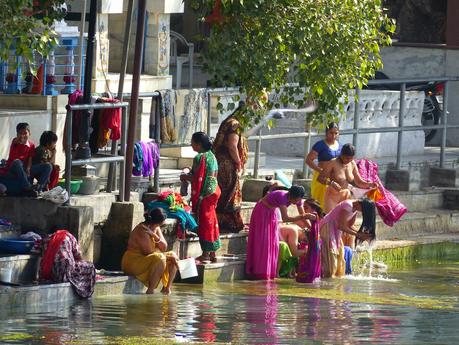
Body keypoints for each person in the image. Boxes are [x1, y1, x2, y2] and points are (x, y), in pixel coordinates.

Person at [246, 185, 316, 280]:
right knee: (264, 242)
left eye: (298, 200)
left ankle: (270, 272)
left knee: (273, 244)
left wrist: (312, 229)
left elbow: (303, 215)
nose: (296, 203)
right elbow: (285, 218)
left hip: (271, 213)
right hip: (262, 211)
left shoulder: (297, 200)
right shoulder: (282, 197)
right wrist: (303, 217)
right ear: (291, 196)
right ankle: (260, 272)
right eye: (296, 200)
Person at [319, 143, 377, 246]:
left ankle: (345, 249)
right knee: (333, 223)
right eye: (345, 158)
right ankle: (329, 246)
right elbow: (320, 178)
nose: (347, 160)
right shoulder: (333, 162)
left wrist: (370, 184)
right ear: (341, 154)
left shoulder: (352, 163)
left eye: (350, 158)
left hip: (345, 194)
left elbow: (358, 181)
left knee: (347, 224)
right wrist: (331, 183)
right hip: (332, 195)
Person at [180, 132, 221, 263]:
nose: (191, 145)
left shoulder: (200, 157)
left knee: (204, 223)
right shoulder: (212, 156)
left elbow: (196, 178)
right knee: (212, 221)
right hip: (213, 192)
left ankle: (205, 254)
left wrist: (184, 177)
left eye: (192, 142)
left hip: (204, 194)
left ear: (198, 144)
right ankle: (213, 253)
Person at [121, 208, 179, 295]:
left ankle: (167, 288)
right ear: (157, 222)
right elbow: (149, 252)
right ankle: (150, 291)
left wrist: (154, 235)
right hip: (133, 262)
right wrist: (169, 258)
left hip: (148, 259)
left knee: (173, 255)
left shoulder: (156, 227)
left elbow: (164, 247)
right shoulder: (142, 230)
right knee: (161, 258)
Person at [213, 105, 249, 233]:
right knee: (231, 193)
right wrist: (238, 162)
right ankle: (231, 223)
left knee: (223, 193)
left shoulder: (229, 121)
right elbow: (232, 146)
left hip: (220, 161)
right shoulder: (235, 125)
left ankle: (219, 222)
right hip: (228, 163)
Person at [319, 199, 375, 278]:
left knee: (339, 261)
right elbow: (341, 226)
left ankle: (334, 281)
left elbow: (349, 225)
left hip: (336, 231)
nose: (363, 212)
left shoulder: (355, 209)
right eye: (364, 210)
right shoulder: (348, 205)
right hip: (328, 227)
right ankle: (326, 279)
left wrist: (361, 234)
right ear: (360, 204)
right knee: (330, 257)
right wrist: (358, 235)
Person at [39, 229, 96, 298]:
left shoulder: (45, 239)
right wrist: (79, 261)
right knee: (90, 266)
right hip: (67, 271)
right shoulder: (69, 236)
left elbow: (40, 252)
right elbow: (78, 255)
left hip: (50, 272)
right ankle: (86, 291)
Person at [306, 122, 342, 209]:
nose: (333, 135)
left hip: (334, 177)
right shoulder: (320, 145)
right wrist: (320, 171)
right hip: (321, 176)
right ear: (326, 132)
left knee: (332, 201)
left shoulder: (340, 146)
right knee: (319, 202)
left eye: (336, 133)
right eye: (331, 133)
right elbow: (308, 160)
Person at [296, 198, 325, 283]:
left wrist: (288, 218)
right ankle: (310, 279)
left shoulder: (314, 215)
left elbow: (305, 216)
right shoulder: (315, 217)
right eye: (304, 207)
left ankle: (308, 279)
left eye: (306, 207)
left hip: (315, 245)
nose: (305, 209)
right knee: (311, 262)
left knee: (311, 263)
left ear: (313, 208)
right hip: (314, 244)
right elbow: (306, 221)